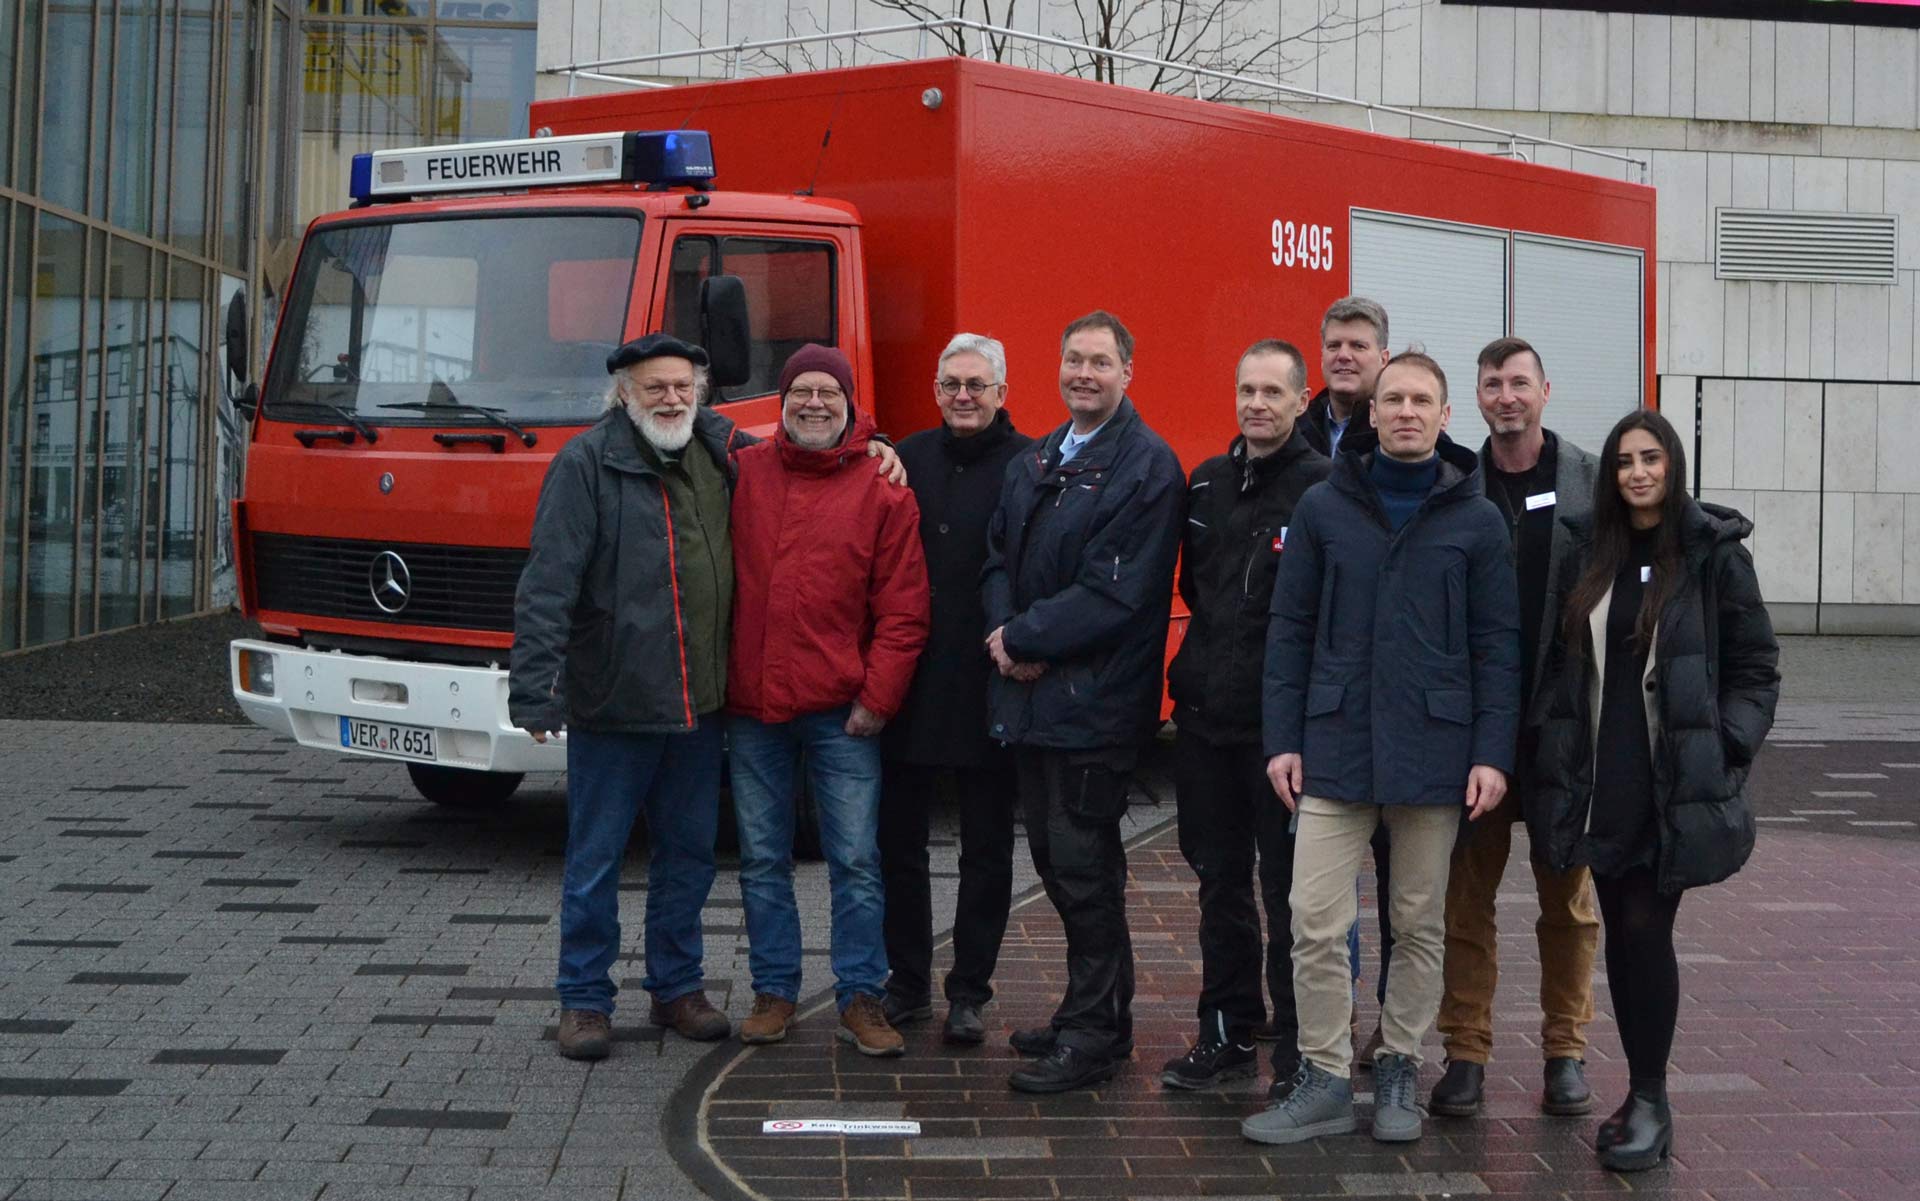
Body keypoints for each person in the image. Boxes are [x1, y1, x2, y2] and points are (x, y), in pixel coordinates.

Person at [1243, 350, 1521, 1146]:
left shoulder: (1476, 519)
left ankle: (1399, 1063)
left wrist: (1491, 752)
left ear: (1444, 416)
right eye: (1392, 398)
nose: (1404, 410)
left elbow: (1498, 646)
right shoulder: (1326, 505)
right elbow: (1289, 629)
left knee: (1418, 921)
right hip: (1333, 745)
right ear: (1371, 413)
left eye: (1420, 400)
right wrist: (1283, 740)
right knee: (1314, 919)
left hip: (1435, 752)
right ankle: (1326, 1076)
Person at [1528, 409, 1779, 1171]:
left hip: (1669, 783)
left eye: (1651, 458)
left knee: (1644, 932)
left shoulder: (1712, 554)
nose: (1637, 471)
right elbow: (1564, 665)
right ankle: (1640, 1096)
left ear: (1672, 466)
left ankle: (1651, 1098)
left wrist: (1727, 742)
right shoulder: (1588, 551)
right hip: (1602, 778)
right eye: (1624, 460)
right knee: (1622, 934)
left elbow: (1757, 666)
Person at [510, 334, 744, 1060]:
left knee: (689, 857)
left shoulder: (718, 455)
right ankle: (583, 999)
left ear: (699, 391)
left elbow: (814, 440)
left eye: (682, 385)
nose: (671, 398)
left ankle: (677, 988)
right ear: (623, 394)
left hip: (700, 704)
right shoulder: (585, 464)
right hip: (616, 702)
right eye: (654, 387)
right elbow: (548, 583)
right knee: (596, 859)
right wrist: (536, 690)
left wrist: (877, 446)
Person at [982, 310, 1184, 1093]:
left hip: (1093, 709)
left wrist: (1024, 640)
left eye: (1100, 362)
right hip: (1037, 699)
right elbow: (998, 552)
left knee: (1086, 870)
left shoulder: (1147, 467)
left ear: (1128, 371)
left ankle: (1096, 1035)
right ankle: (1089, 1014)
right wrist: (1007, 633)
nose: (1084, 374)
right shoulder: (1039, 456)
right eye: (1074, 360)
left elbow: (1115, 592)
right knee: (1059, 865)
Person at [727, 343, 931, 1057]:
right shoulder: (743, 471)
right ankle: (774, 992)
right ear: (780, 402)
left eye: (829, 394)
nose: (814, 403)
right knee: (760, 857)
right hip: (753, 707)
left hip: (844, 712)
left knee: (855, 860)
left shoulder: (883, 487)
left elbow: (904, 611)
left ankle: (860, 997)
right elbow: (682, 414)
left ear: (851, 406)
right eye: (801, 392)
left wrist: (877, 699)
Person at [1430, 338, 1603, 1119]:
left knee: (1567, 900)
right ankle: (1465, 1052)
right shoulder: (1454, 483)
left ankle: (1565, 1051)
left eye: (1520, 383)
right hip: (1476, 731)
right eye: (1493, 384)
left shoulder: (1588, 481)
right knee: (1466, 899)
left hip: (1564, 724)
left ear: (1545, 390)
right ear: (1476, 396)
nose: (1507, 396)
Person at [1160, 339, 1331, 1094]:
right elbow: (1199, 591)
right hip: (1203, 721)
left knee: (1291, 892)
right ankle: (1226, 1031)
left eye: (1273, 391)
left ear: (1301, 401)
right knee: (1218, 882)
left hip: (1280, 735)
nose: (1257, 404)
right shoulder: (1205, 483)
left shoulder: (1324, 493)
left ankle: (1296, 1049)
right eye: (1246, 390)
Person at [878, 333, 1034, 1045]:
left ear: (1002, 392)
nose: (963, 396)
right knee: (898, 845)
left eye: (977, 384)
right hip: (909, 684)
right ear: (937, 391)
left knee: (987, 848)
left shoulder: (1031, 464)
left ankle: (969, 988)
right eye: (951, 384)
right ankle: (906, 983)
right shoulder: (904, 457)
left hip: (988, 683)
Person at [1299, 296, 1397, 1062]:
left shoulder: (1403, 437)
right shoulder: (1298, 436)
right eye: (1334, 343)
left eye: (1359, 345)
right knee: (1324, 900)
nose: (1344, 355)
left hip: (1396, 706)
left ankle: (1392, 1027)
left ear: (1383, 357)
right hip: (1323, 699)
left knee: (1406, 894)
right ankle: (1326, 1028)